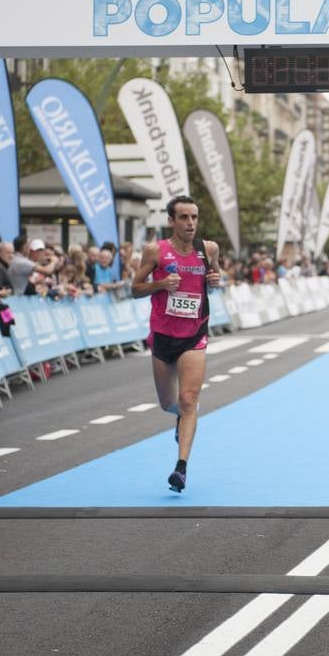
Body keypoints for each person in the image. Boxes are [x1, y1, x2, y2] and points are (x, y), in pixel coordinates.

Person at [132, 196, 222, 493]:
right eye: (183, 217)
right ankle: (180, 418)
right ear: (171, 221)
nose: (190, 223)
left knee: (189, 398)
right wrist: (159, 285)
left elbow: (214, 278)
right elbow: (135, 289)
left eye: (194, 217)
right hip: (162, 335)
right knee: (169, 403)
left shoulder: (208, 249)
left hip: (194, 334)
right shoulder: (155, 250)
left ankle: (180, 468)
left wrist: (216, 278)